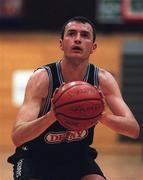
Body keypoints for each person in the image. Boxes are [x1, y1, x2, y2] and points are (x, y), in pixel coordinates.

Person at [8, 16, 141, 180]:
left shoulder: (103, 80)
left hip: (76, 157)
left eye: (85, 35)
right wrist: (52, 115)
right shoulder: (42, 79)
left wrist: (101, 116)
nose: (77, 39)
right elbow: (18, 137)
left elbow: (133, 130)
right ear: (61, 43)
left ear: (93, 47)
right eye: (71, 34)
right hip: (35, 157)